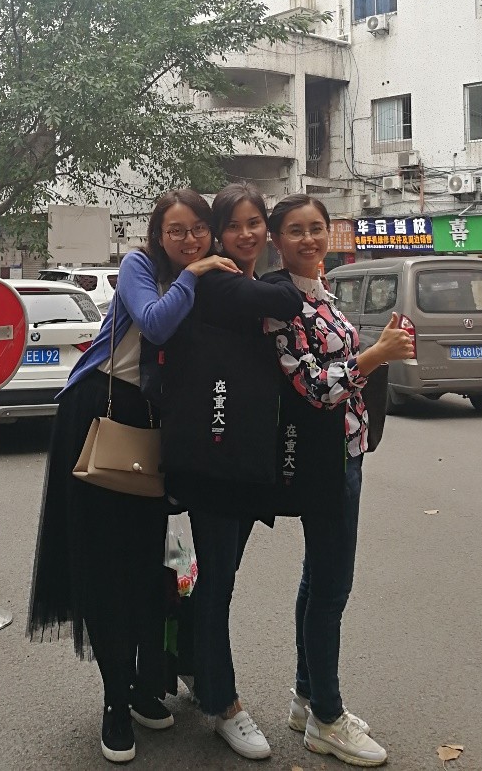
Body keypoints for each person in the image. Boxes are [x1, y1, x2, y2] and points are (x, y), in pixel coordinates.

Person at [27, 189, 240, 764]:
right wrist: (193, 274)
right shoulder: (140, 268)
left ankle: (146, 686)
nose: (189, 240)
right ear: (157, 235)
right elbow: (155, 323)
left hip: (156, 427)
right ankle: (114, 704)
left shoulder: (214, 277)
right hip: (100, 416)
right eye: (177, 231)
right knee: (106, 567)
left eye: (199, 229)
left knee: (150, 565)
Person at [263, 195, 414, 768]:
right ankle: (327, 718)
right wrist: (376, 354)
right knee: (331, 589)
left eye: (316, 228)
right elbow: (312, 386)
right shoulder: (281, 302)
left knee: (317, 578)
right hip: (323, 460)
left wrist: (378, 349)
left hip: (346, 451)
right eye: (295, 230)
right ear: (277, 240)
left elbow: (338, 371)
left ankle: (307, 699)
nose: (309, 239)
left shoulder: (321, 293)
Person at [159, 183, 303, 760]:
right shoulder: (218, 281)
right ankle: (223, 704)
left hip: (241, 460)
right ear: (218, 234)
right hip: (215, 462)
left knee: (218, 577)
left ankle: (191, 665)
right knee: (219, 580)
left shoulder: (240, 281)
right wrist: (287, 277)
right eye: (235, 225)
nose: (247, 234)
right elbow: (287, 301)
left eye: (255, 223)